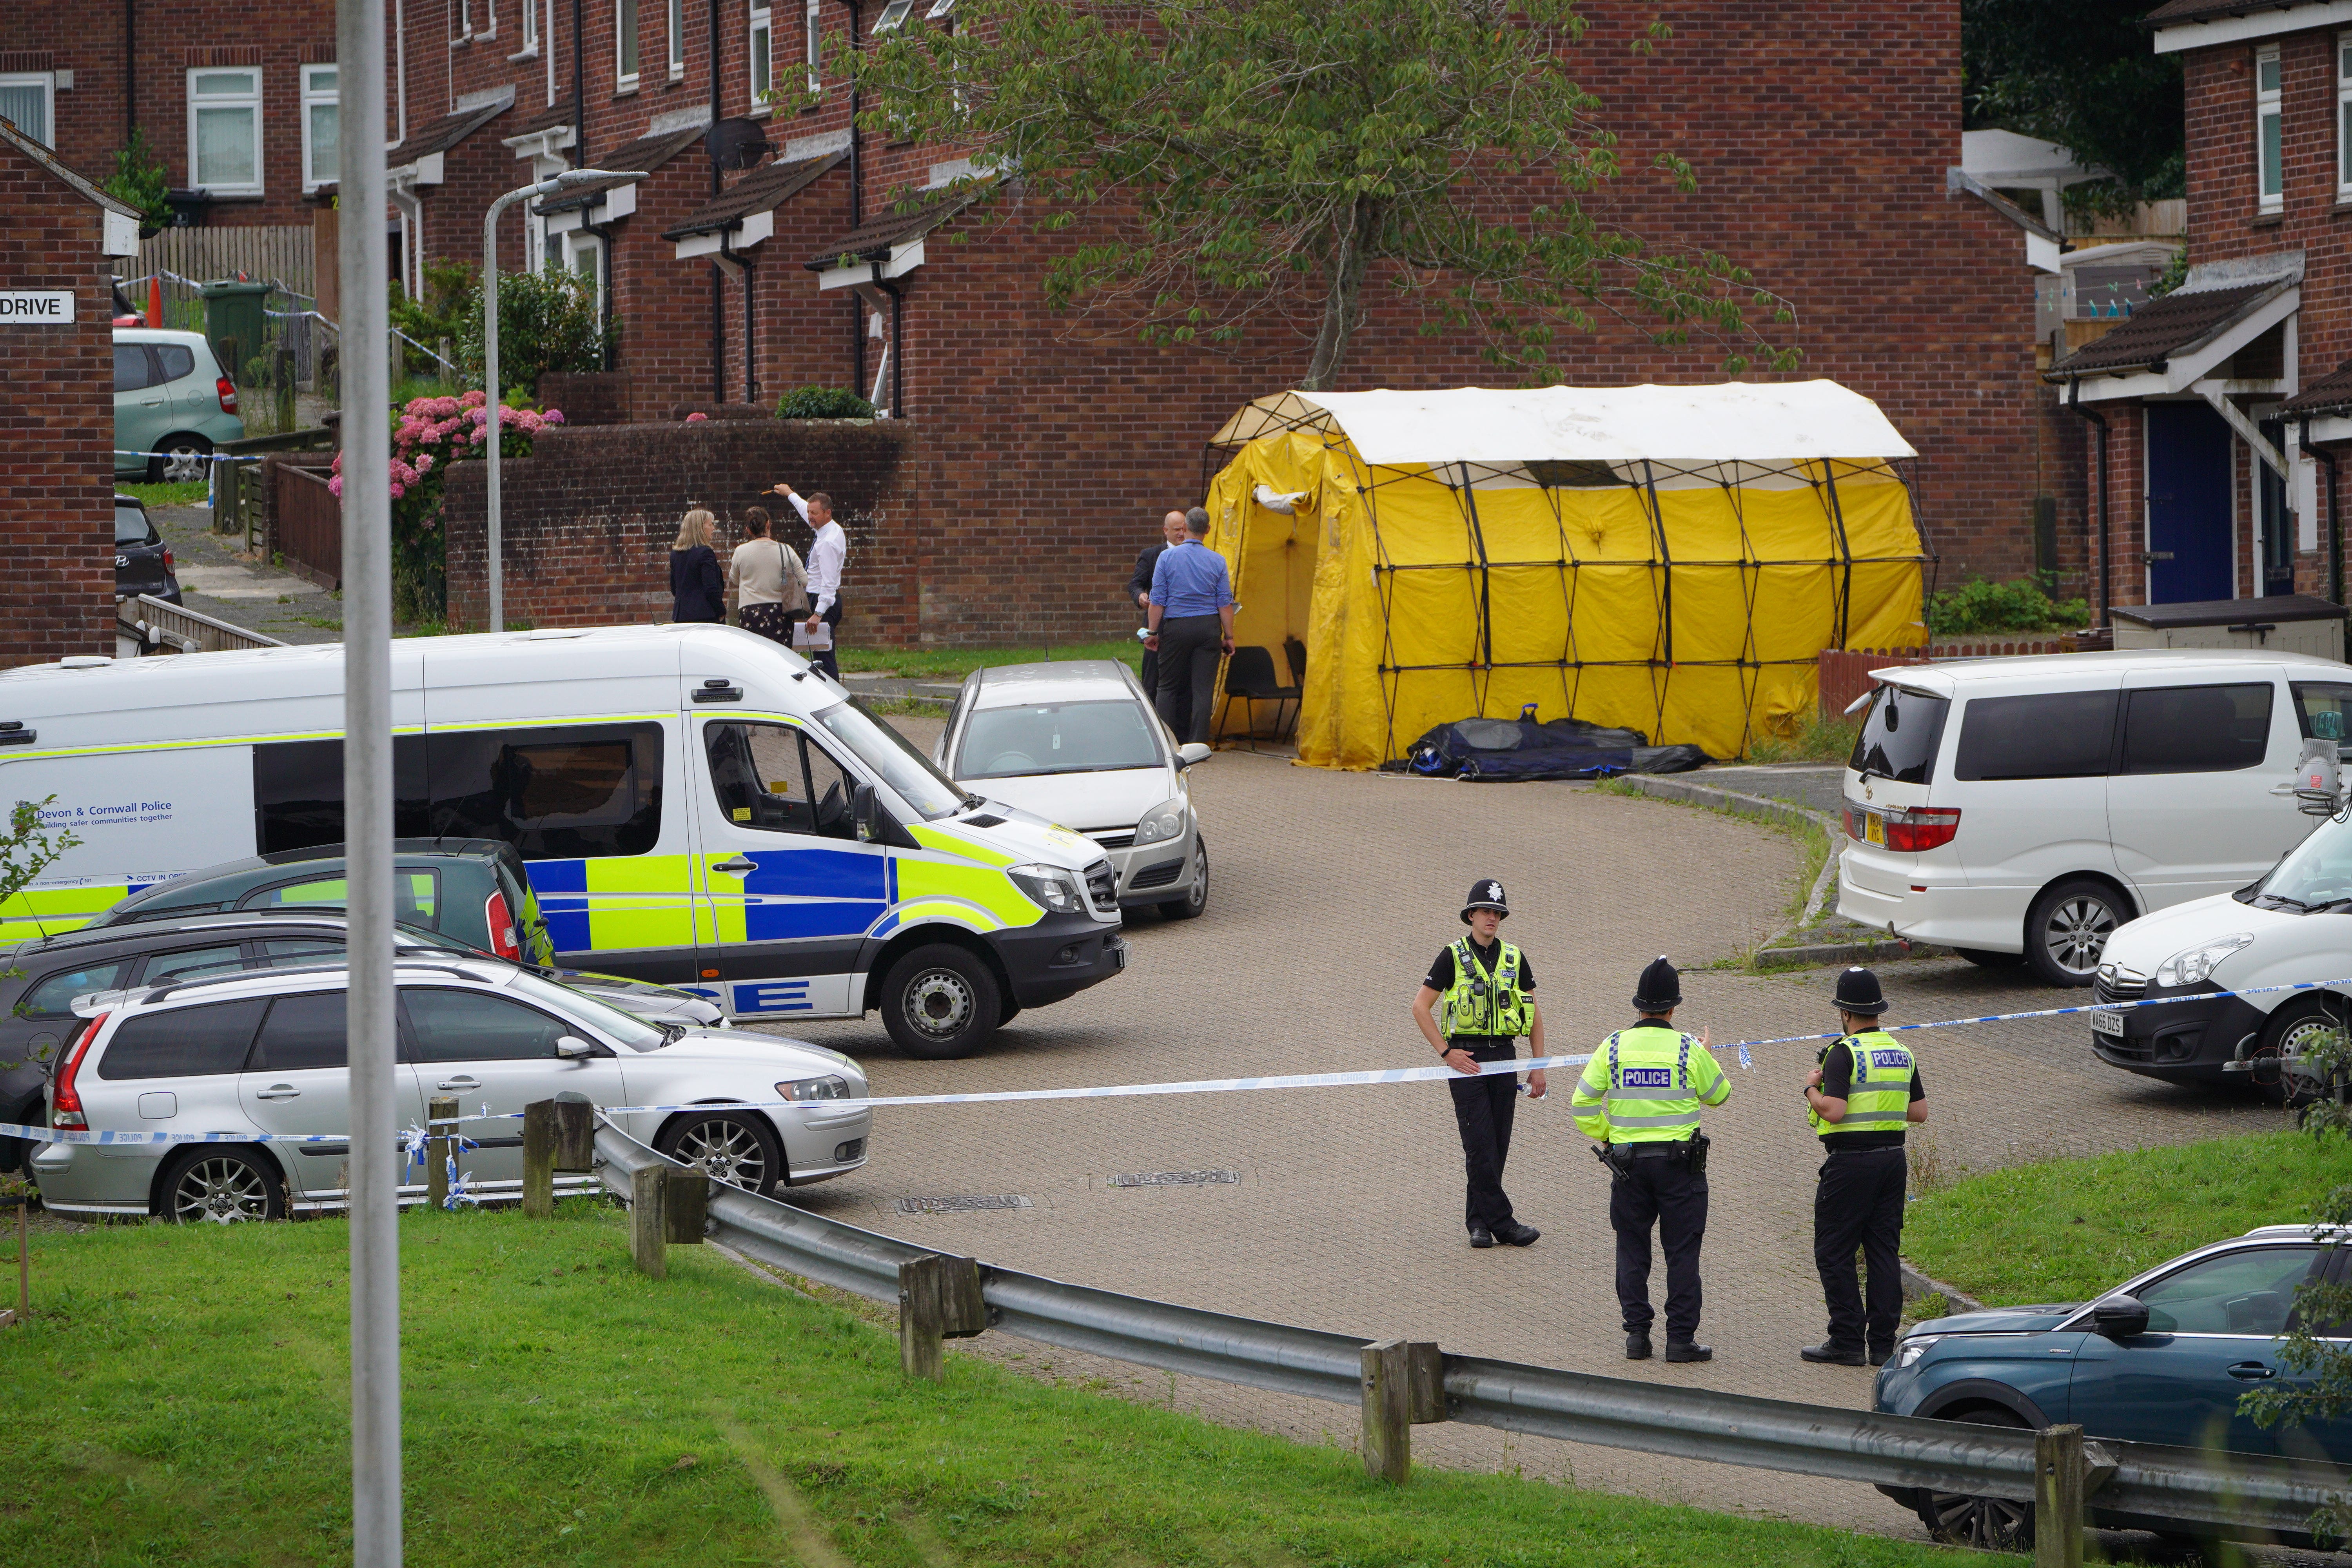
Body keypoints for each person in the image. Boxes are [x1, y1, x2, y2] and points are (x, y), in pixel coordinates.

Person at [1572, 956, 1731, 1363]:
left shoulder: (1613, 1046)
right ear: (1673, 1007)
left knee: (1632, 1250)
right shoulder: (1687, 1049)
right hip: (1680, 1170)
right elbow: (1720, 1094)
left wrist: (1610, 1136)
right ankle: (1680, 1341)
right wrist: (1705, 1054)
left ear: (1638, 1006)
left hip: (1628, 1168)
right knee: (1682, 1253)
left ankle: (1637, 1338)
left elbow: (1582, 1103)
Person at [1800, 967, 1929, 1368]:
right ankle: (1882, 1345)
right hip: (1893, 1160)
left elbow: (1834, 1111)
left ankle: (1846, 1341)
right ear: (1877, 1011)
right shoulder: (1901, 1052)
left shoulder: (1843, 1053)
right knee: (1883, 1250)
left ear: (1845, 1013)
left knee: (1834, 1251)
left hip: (1851, 1165)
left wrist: (1809, 1088)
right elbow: (1919, 1112)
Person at [1410, 878, 1546, 1250]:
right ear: (1471, 915)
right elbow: (1420, 1007)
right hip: (1466, 1059)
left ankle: (1479, 1224)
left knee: (1497, 1144)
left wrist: (1538, 1066)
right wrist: (1445, 1052)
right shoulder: (1452, 955)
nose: (1493, 919)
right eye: (1486, 911)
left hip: (1504, 1056)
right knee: (1479, 1144)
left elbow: (1534, 1015)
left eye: (1498, 913)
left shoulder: (1515, 957)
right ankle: (1504, 1224)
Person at [1143, 506, 1234, 744]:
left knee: (1168, 687)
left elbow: (1158, 601)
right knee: (1203, 689)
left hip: (1177, 628)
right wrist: (1229, 636)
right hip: (1208, 629)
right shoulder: (1218, 561)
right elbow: (1225, 603)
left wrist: (1152, 632)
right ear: (1208, 530)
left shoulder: (1167, 557)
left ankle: (1168, 742)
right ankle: (1199, 744)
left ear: (1185, 529)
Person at [767, 482, 845, 679]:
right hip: (821, 598)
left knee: (824, 656)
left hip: (823, 600)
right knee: (820, 653)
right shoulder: (828, 528)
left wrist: (818, 613)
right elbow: (806, 511)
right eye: (809, 512)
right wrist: (790, 494)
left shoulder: (828, 543)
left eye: (815, 513)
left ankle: (832, 696)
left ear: (827, 513)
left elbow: (829, 582)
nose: (810, 516)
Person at [1129, 509, 1191, 731]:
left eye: (1185, 529)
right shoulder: (1152, 555)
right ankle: (1151, 731)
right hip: (1158, 628)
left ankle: (1182, 732)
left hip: (1184, 629)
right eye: (1177, 530)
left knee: (1184, 682)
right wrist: (1141, 596)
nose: (1182, 534)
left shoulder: (1197, 554)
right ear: (1166, 531)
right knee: (1152, 680)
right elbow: (1135, 584)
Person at [728, 506, 808, 647]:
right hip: (780, 612)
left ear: (748, 530)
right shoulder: (786, 550)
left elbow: (734, 579)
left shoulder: (741, 551)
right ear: (768, 525)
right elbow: (804, 580)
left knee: (753, 657)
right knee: (780, 656)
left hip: (750, 612)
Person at [668, 508, 725, 624]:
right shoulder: (705, 553)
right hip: (705, 615)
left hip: (681, 616)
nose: (713, 528)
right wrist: (721, 611)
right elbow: (711, 588)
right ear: (700, 528)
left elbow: (675, 589)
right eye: (710, 524)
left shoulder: (675, 554)